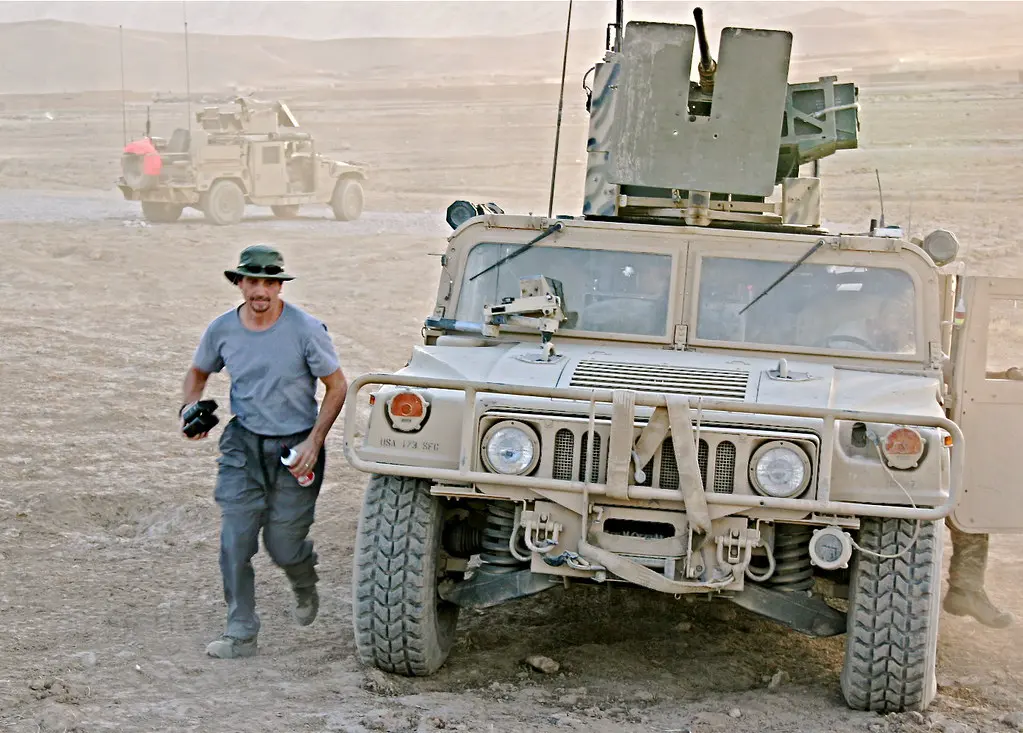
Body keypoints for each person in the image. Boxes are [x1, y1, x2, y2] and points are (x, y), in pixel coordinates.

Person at [180, 243, 348, 659]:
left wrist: (315, 440)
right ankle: (240, 630)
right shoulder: (222, 329)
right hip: (243, 442)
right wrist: (189, 408)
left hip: (297, 448)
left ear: (279, 286)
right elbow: (198, 373)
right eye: (251, 281)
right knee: (235, 538)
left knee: (282, 543)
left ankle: (303, 577)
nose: (259, 290)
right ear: (239, 283)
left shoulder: (306, 329)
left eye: (268, 282)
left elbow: (337, 385)